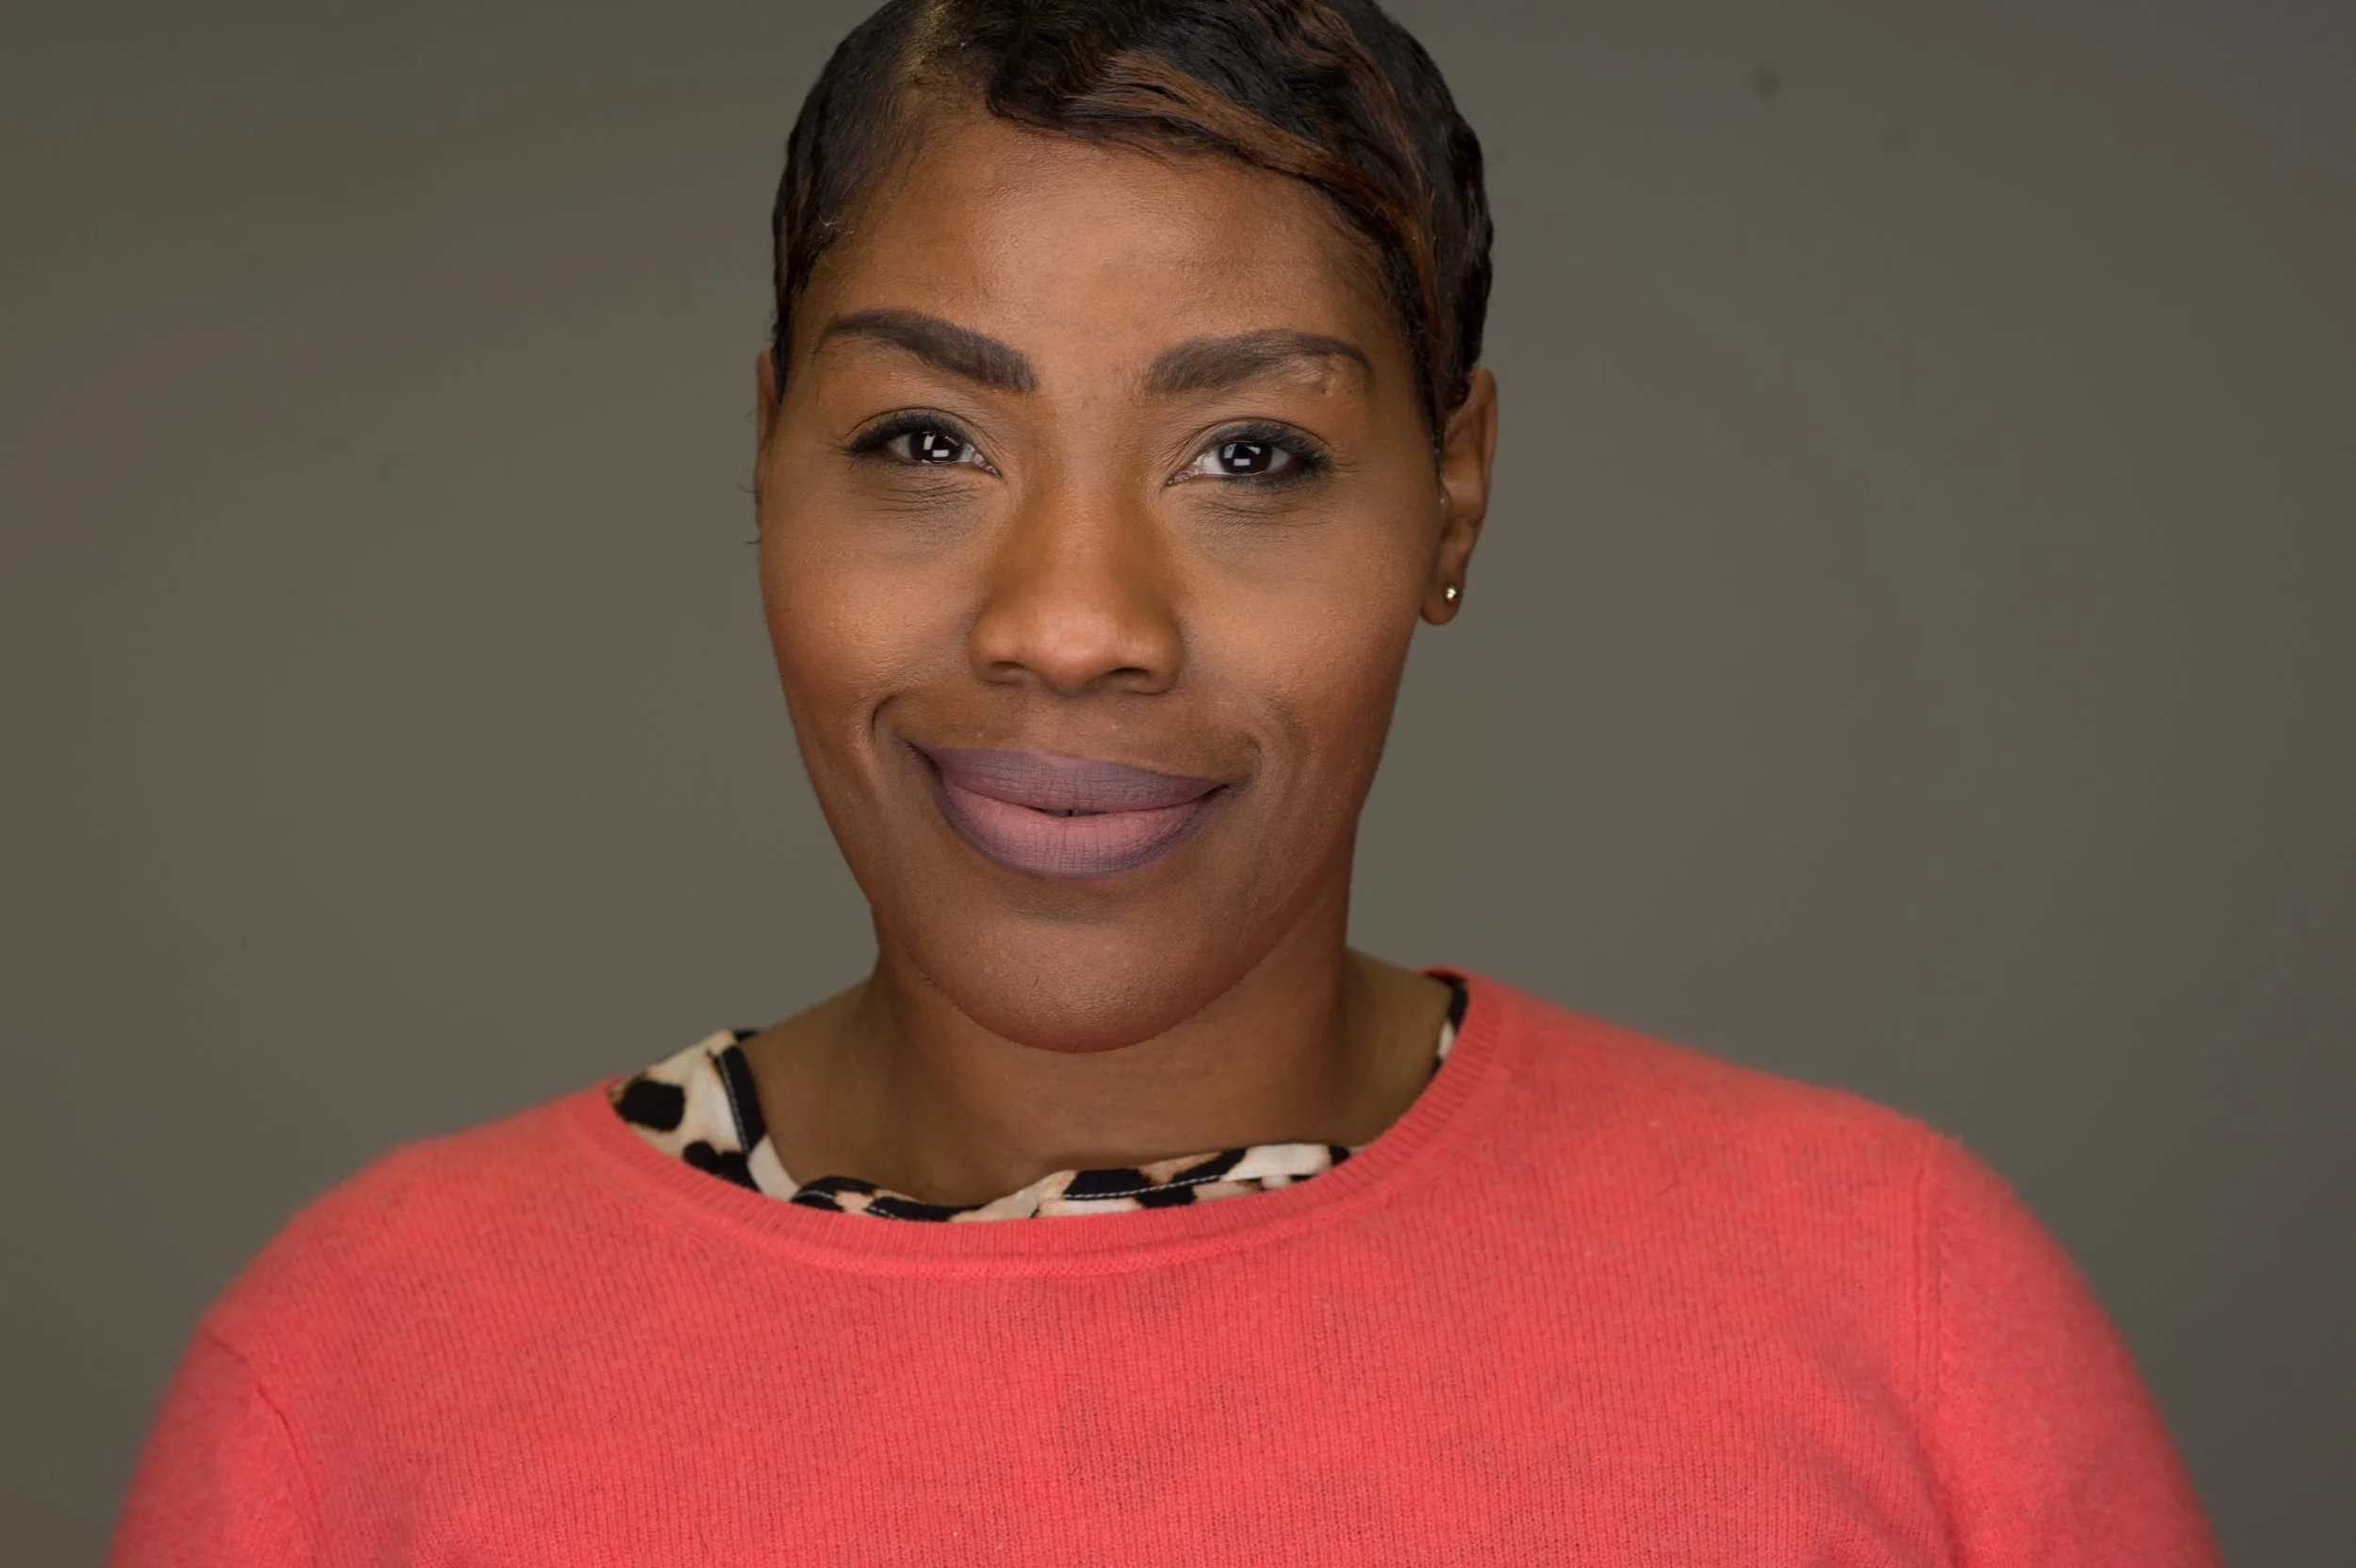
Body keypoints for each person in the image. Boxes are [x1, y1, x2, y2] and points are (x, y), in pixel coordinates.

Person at [107, 2, 2220, 1561]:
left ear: (1452, 498)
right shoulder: (354, 1385)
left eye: (1252, 454)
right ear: (764, 455)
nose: (1072, 618)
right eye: (925, 437)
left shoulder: (1902, 1316)